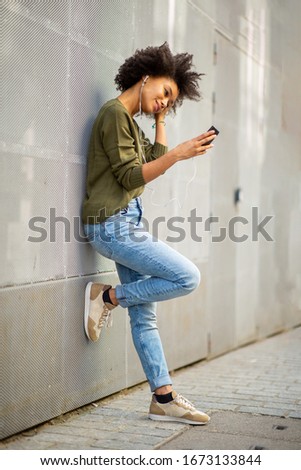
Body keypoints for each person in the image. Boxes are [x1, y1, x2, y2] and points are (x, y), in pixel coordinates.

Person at [82, 42, 216, 425]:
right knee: (187, 276)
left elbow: (153, 158)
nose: (164, 102)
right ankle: (107, 296)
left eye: (170, 102)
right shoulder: (113, 115)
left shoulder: (130, 121)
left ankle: (163, 398)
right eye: (164, 93)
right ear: (145, 77)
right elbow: (130, 176)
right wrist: (179, 155)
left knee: (144, 317)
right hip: (111, 225)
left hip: (124, 223)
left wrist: (161, 119)